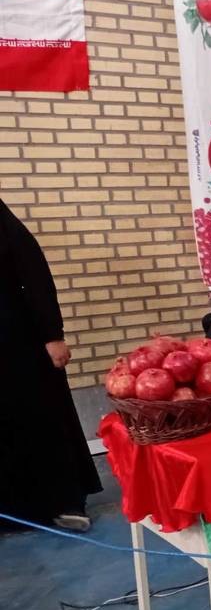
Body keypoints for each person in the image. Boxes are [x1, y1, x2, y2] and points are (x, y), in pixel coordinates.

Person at [0, 198, 101, 532]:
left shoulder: (5, 225)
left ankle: (62, 503)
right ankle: (14, 512)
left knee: (42, 419)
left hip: (22, 345)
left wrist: (52, 335)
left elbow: (34, 277)